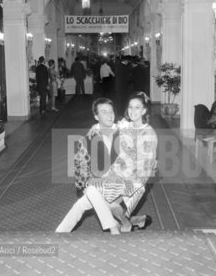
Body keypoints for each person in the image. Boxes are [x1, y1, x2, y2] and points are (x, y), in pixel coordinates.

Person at [55, 93, 157, 234]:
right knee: (86, 197)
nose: (110, 115)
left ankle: (120, 224)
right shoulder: (89, 139)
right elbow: (81, 168)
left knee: (94, 196)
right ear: (96, 117)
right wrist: (90, 181)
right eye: (104, 112)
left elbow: (144, 163)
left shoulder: (123, 130)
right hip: (107, 181)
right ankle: (61, 233)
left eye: (111, 111)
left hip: (128, 181)